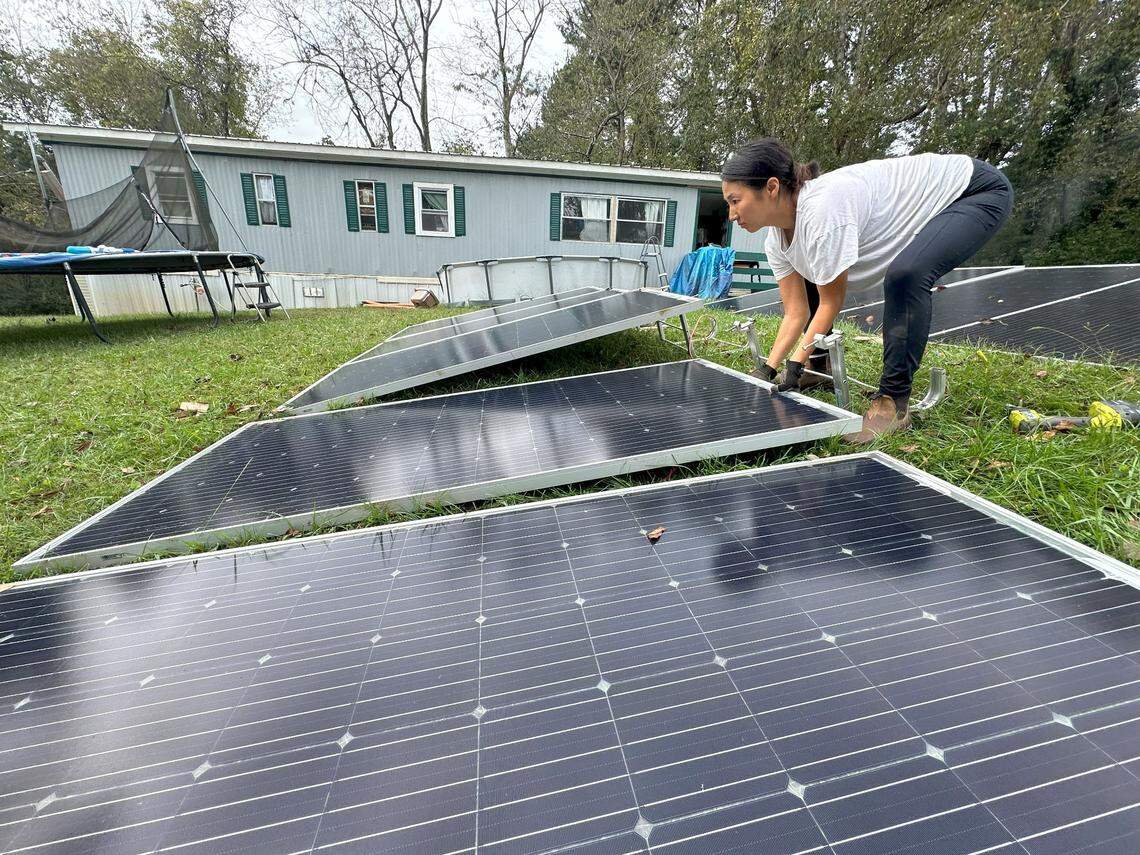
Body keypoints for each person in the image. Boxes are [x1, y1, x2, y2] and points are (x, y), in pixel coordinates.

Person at [720, 140, 1013, 442]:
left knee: (906, 275)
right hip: (957, 192)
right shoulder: (776, 240)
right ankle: (818, 367)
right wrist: (768, 369)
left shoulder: (823, 211)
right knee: (813, 267)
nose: (731, 214)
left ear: (771, 188)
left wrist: (793, 362)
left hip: (972, 191)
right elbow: (796, 312)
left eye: (735, 201)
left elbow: (831, 301)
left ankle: (892, 404)